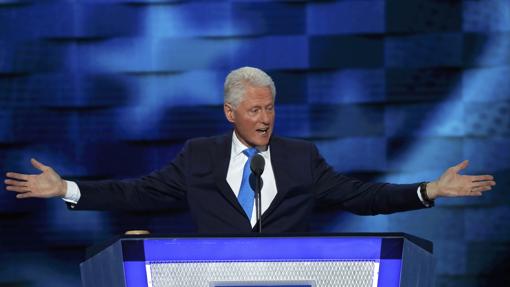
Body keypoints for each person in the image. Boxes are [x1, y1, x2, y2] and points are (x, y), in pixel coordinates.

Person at [4, 67, 496, 233]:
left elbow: (358, 196)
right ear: (230, 113)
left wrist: (428, 189)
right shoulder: (199, 155)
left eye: (271, 108)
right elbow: (137, 193)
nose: (265, 119)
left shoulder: (301, 156)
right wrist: (65, 188)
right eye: (255, 110)